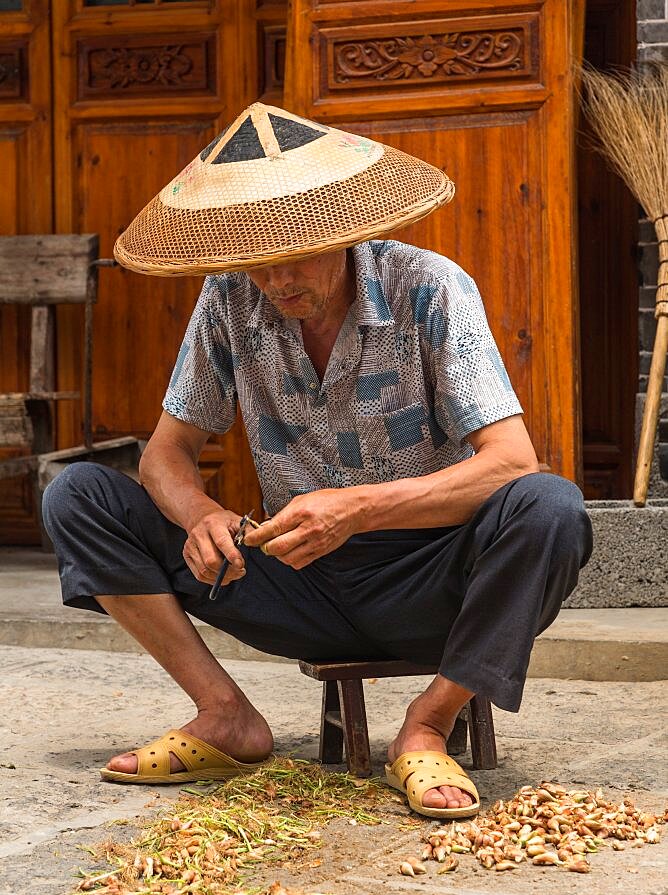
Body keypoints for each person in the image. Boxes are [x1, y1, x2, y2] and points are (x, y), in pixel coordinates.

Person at [42, 103, 592, 820]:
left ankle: (428, 723)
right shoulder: (230, 299)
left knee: (551, 507)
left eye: (294, 256)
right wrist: (202, 515)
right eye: (256, 260)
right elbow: (165, 457)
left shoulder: (429, 287)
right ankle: (225, 715)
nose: (274, 280)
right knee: (77, 495)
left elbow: (511, 463)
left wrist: (358, 507)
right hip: (295, 582)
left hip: (432, 583)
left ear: (343, 231)